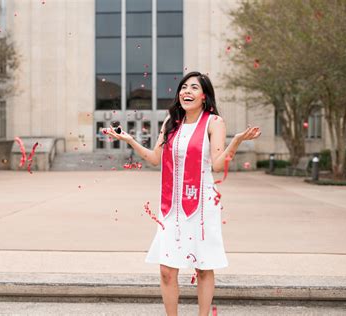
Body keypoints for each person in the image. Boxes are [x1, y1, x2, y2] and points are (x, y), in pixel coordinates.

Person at [104, 71, 261, 316]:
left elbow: (218, 164)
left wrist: (237, 141)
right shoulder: (171, 123)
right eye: (184, 87)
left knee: (204, 266)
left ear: (204, 96)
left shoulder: (213, 122)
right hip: (171, 206)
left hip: (201, 205)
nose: (186, 91)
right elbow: (155, 158)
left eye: (194, 88)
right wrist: (130, 140)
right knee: (167, 270)